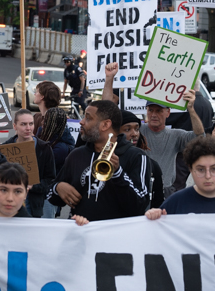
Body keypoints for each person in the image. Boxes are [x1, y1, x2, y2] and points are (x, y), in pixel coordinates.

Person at [102, 62, 205, 197]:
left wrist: (191, 109)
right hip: (137, 188)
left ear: (167, 112)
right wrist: (109, 79)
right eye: (151, 110)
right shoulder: (136, 131)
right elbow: (107, 111)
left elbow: (200, 138)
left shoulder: (175, 135)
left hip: (164, 191)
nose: (154, 114)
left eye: (159, 111)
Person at [48, 99, 151, 221]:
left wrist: (118, 174)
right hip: (82, 233)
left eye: (88, 118)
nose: (81, 122)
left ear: (105, 125)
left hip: (117, 235)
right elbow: (52, 197)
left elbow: (140, 206)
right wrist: (58, 187)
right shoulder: (76, 155)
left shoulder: (136, 156)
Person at [4, 109, 56, 217]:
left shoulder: (44, 148)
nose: (28, 128)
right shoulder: (6, 148)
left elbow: (50, 179)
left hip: (35, 207)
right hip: (10, 206)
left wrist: (33, 186)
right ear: (15, 126)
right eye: (23, 124)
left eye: (31, 124)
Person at [120, 110, 164, 209]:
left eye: (137, 129)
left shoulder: (152, 164)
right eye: (127, 130)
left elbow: (158, 201)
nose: (134, 134)